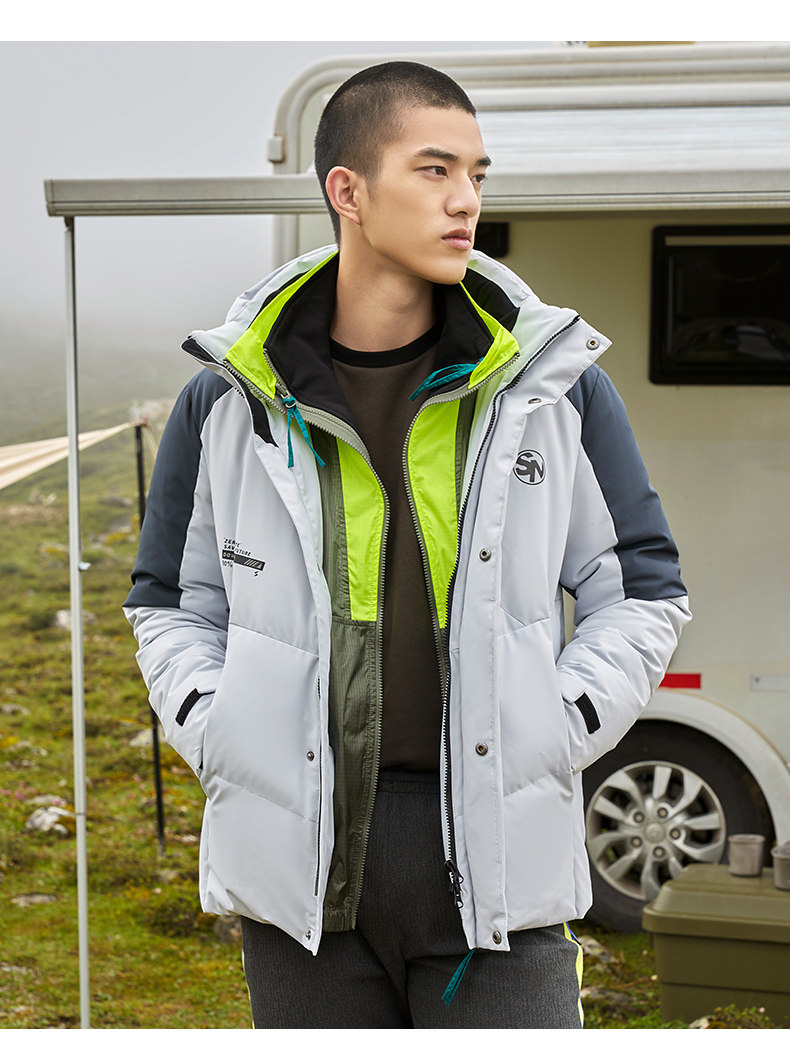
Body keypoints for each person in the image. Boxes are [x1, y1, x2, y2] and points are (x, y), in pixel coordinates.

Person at [124, 60, 691, 1029]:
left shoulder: (554, 386)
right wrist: (220, 729)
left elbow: (642, 590)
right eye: (435, 170)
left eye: (476, 173)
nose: (466, 199)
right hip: (302, 876)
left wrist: (558, 723)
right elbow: (168, 606)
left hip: (500, 870)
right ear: (347, 192)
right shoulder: (226, 399)